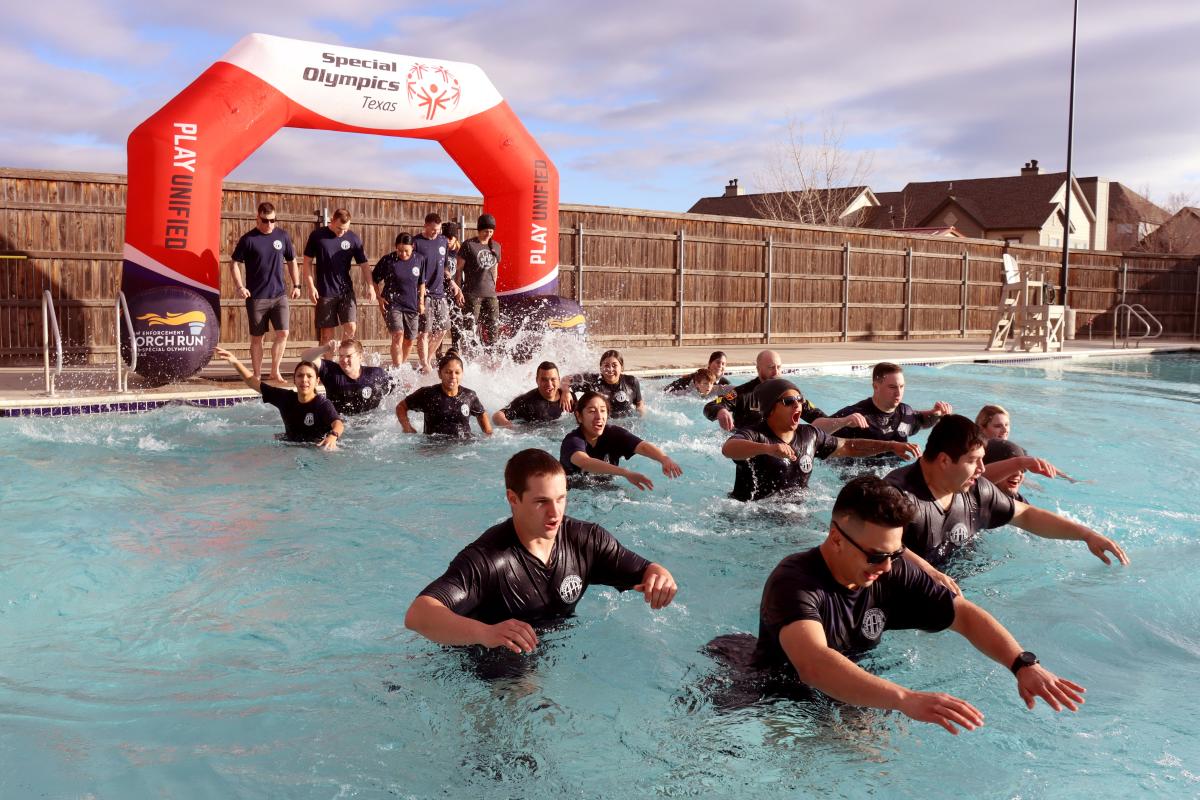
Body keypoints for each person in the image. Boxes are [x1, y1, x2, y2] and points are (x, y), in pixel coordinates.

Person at [708, 474, 1090, 733]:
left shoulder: (891, 568)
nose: (887, 566)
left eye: (895, 552)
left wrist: (1022, 664)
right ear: (836, 538)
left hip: (848, 682)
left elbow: (965, 615)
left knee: (876, 753)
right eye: (876, 555)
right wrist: (904, 699)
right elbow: (813, 663)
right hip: (771, 694)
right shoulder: (793, 581)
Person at [404, 449, 678, 654]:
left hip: (553, 649)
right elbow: (418, 614)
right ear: (513, 499)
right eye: (541, 502)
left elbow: (645, 569)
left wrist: (659, 574)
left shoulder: (585, 540)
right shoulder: (488, 559)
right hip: (490, 661)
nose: (555, 512)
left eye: (561, 499)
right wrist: (485, 633)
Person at [884, 415, 1128, 594]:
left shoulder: (974, 490)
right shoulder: (895, 495)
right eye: (974, 461)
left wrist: (1086, 535)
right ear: (945, 460)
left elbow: (1026, 515)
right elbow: (883, 550)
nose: (981, 470)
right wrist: (929, 573)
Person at [721, 379, 920, 501]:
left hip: (792, 514)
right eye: (789, 401)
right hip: (750, 517)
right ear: (770, 409)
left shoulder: (810, 435)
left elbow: (850, 446)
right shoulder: (756, 435)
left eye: (800, 399)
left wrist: (891, 446)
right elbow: (729, 448)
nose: (797, 405)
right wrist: (768, 449)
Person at [213, 347, 343, 449]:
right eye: (300, 376)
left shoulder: (322, 404)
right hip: (290, 445)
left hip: (318, 447)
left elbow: (338, 424)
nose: (304, 380)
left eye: (309, 376)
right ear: (294, 380)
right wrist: (235, 362)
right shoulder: (285, 398)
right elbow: (253, 382)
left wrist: (333, 436)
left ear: (317, 381)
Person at [230, 201, 299, 383]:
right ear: (257, 219)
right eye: (265, 220)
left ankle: (274, 371)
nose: (269, 224)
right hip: (256, 298)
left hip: (279, 296)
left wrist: (297, 285)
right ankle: (258, 374)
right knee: (257, 338)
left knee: (283, 333)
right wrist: (239, 286)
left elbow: (292, 261)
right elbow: (234, 263)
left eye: (272, 220)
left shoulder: (282, 236)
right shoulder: (249, 239)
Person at [702, 350, 851, 434]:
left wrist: (844, 422)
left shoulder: (790, 394)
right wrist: (721, 411)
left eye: (779, 367)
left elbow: (817, 416)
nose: (776, 372)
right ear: (759, 369)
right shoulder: (743, 393)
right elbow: (710, 406)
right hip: (747, 442)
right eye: (771, 367)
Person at [559, 391, 681, 490]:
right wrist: (625, 473)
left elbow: (642, 446)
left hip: (605, 490)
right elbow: (585, 462)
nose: (599, 416)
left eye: (603, 410)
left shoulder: (613, 434)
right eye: (592, 411)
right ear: (579, 416)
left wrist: (664, 459)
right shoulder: (572, 440)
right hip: (575, 493)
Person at [830, 362, 952, 443]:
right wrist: (842, 422)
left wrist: (936, 413)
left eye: (902, 386)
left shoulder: (905, 412)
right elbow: (816, 432)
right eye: (892, 387)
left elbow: (922, 421)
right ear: (876, 387)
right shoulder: (856, 415)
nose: (898, 393)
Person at [302, 208, 374, 345]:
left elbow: (364, 264)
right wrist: (311, 287)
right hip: (325, 292)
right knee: (327, 335)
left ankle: (343, 358)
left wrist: (370, 286)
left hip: (346, 291)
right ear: (332, 221)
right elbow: (307, 262)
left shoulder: (352, 238)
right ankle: (328, 364)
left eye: (346, 229)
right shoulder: (318, 236)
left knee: (351, 327)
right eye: (340, 228)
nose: (342, 232)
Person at [396, 352, 492, 438]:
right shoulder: (428, 394)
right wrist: (407, 427)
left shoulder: (469, 395)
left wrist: (488, 433)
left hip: (463, 449)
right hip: (435, 448)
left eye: (457, 373)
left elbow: (481, 413)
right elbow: (401, 406)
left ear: (462, 374)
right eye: (448, 372)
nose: (453, 376)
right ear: (439, 374)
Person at [372, 232, 426, 368]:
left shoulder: (419, 259)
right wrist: (379, 298)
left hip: (411, 304)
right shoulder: (388, 260)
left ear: (412, 247)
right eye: (400, 250)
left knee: (409, 340)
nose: (403, 254)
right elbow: (373, 279)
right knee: (398, 334)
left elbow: (421, 283)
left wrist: (421, 302)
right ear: (396, 247)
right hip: (392, 303)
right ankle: (398, 368)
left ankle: (401, 364)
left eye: (406, 251)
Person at [300, 338, 393, 415]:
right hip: (340, 425)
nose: (344, 360)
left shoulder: (374, 374)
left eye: (348, 356)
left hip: (369, 426)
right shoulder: (332, 372)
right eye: (341, 356)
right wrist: (325, 348)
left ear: (360, 356)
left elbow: (396, 389)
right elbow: (305, 357)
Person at [454, 213, 501, 355]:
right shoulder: (469, 245)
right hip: (472, 294)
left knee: (493, 326)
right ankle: (469, 355)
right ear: (479, 230)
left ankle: (491, 354)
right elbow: (458, 270)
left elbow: (495, 269)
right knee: (470, 327)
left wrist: (494, 288)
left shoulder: (496, 246)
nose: (488, 234)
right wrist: (458, 291)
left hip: (490, 294)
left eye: (491, 231)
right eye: (486, 231)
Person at [413, 213, 452, 373]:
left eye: (439, 229)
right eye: (433, 230)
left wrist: (452, 282)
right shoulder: (416, 242)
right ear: (425, 226)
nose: (436, 232)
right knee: (424, 331)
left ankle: (428, 360)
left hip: (440, 292)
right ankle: (424, 363)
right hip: (424, 293)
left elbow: (445, 266)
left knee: (443, 328)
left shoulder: (443, 241)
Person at [565, 350, 645, 417]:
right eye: (606, 365)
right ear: (601, 368)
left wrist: (641, 419)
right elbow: (566, 379)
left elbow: (639, 404)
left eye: (614, 365)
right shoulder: (592, 381)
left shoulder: (631, 382)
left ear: (622, 367)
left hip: (627, 424)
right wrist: (566, 392)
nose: (610, 369)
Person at [493, 361, 566, 428]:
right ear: (537, 380)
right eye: (544, 380)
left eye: (553, 379)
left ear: (559, 380)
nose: (549, 384)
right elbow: (497, 416)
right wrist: (509, 426)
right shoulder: (527, 401)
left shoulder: (568, 397)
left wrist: (567, 391)